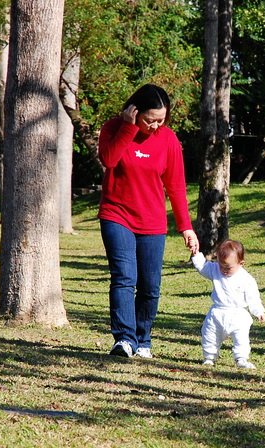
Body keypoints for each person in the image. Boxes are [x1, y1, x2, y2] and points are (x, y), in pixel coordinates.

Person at [98, 84, 198, 358]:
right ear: (134, 111)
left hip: (152, 222)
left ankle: (143, 340)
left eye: (160, 120)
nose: (155, 125)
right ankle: (124, 340)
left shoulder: (168, 140)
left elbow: (176, 186)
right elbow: (109, 158)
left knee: (150, 286)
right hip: (116, 215)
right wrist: (129, 127)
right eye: (149, 119)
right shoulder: (114, 128)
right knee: (124, 278)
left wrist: (186, 226)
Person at [191, 240, 265, 369]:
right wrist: (196, 255)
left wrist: (258, 311)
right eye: (221, 265)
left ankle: (241, 358)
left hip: (238, 313)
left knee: (241, 337)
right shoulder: (215, 270)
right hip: (217, 312)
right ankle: (209, 357)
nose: (224, 270)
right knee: (209, 334)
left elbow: (253, 297)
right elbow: (203, 267)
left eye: (228, 267)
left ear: (241, 263)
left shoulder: (246, 279)